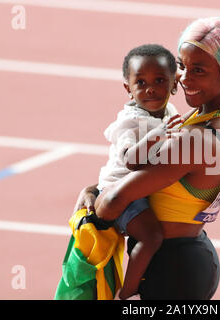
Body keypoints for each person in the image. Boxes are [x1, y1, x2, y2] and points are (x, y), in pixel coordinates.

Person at [75, 17, 220, 299]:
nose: (183, 78)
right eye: (182, 66)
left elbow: (113, 202)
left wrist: (93, 200)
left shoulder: (197, 140)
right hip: (185, 261)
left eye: (198, 70)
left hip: (173, 273)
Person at [87, 44, 183, 300]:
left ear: (175, 84)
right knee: (152, 237)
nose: (150, 88)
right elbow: (131, 159)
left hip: (141, 188)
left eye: (159, 80)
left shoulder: (169, 112)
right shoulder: (128, 121)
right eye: (140, 82)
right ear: (128, 88)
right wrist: (160, 134)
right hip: (119, 193)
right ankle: (128, 290)